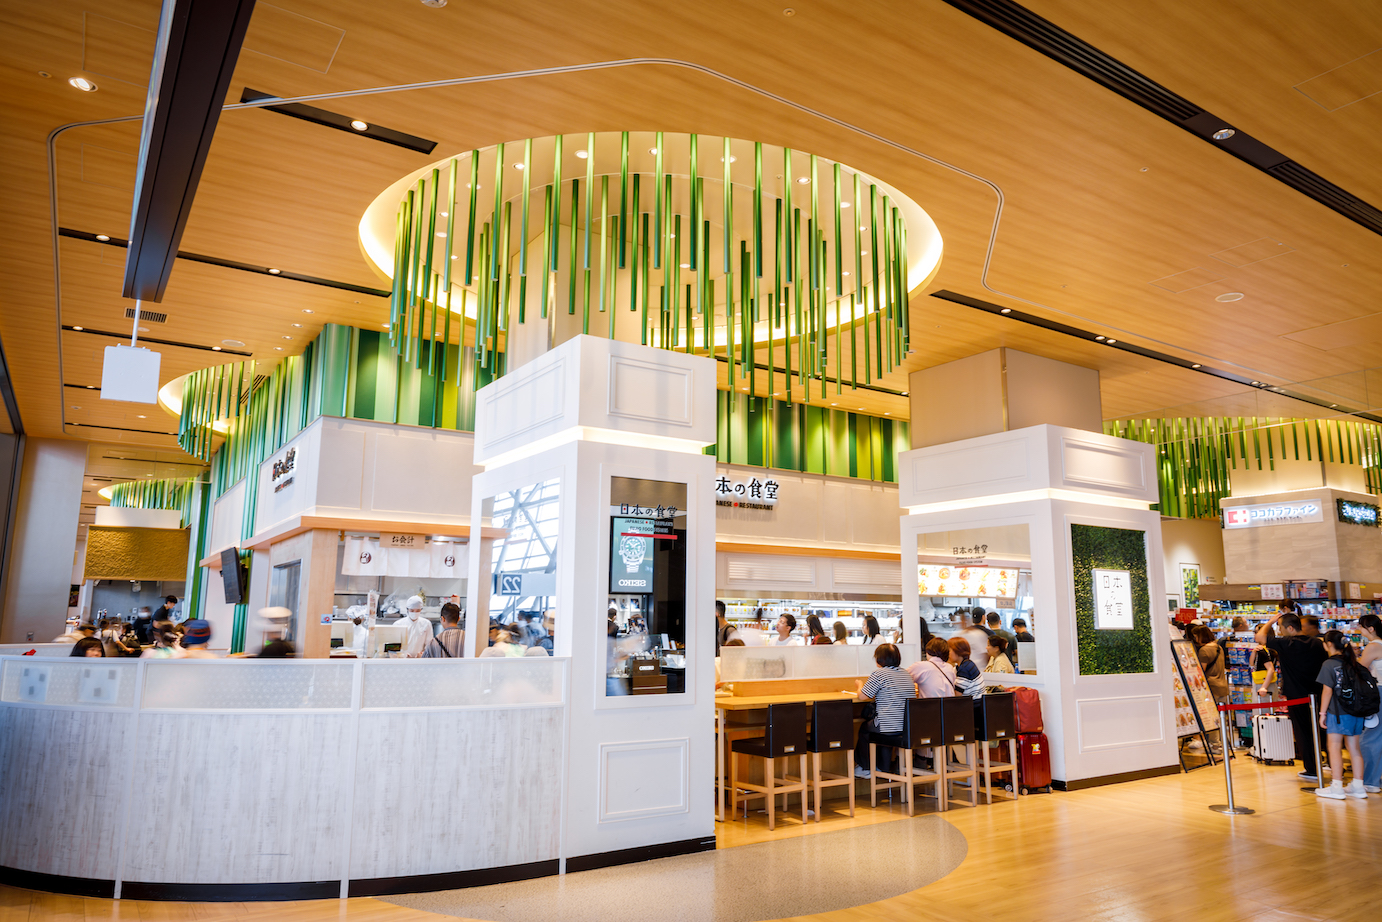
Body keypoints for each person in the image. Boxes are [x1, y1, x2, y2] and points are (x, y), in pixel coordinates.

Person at [1256, 610, 1329, 781]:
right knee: (1321, 730)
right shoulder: (1317, 643)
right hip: (1318, 693)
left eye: (1281, 628)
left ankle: (1312, 769)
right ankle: (1328, 762)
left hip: (1297, 695)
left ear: (1290, 628)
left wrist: (1271, 621)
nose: (1279, 631)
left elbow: (1260, 637)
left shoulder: (1286, 643)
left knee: (1303, 732)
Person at [1314, 629, 1372, 800]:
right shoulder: (1354, 662)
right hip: (1357, 712)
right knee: (1354, 748)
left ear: (1329, 644)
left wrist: (1322, 713)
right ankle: (1358, 786)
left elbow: (1327, 691)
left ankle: (1337, 786)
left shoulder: (1329, 664)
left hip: (1337, 713)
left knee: (1334, 748)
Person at [852, 643, 917, 778]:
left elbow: (863, 696)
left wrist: (859, 685)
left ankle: (865, 768)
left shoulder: (879, 674)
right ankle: (883, 768)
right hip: (906, 727)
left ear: (879, 659)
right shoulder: (906, 674)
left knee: (865, 728)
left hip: (888, 725)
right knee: (882, 730)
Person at [1357, 614, 1382, 794]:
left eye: (1361, 627)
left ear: (1370, 629)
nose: (1359, 630)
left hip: (1379, 692)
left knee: (1370, 737)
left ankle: (1371, 781)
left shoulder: (1374, 646)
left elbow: (1359, 669)